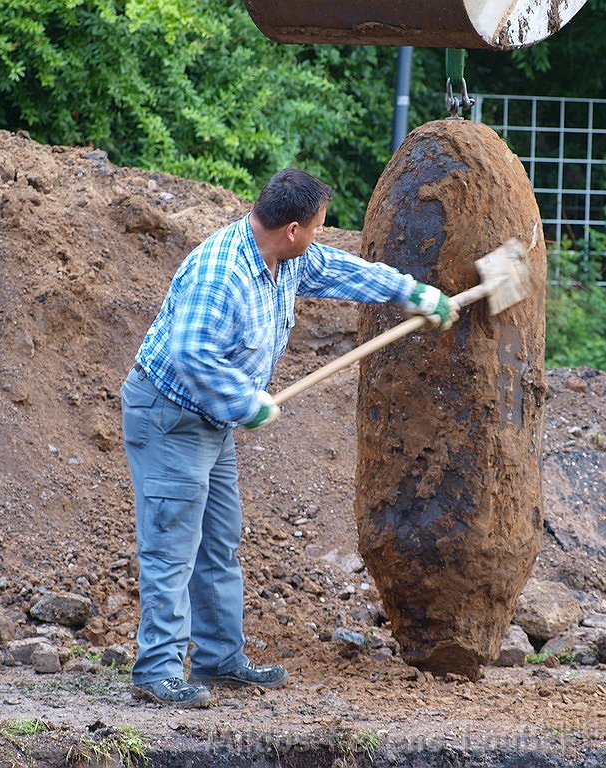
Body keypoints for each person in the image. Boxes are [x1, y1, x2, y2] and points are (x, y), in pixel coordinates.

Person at [121, 168, 457, 707]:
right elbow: (189, 354)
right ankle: (156, 672)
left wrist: (410, 292)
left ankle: (219, 660)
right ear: (294, 228)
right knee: (172, 546)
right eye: (320, 227)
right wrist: (243, 400)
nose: (322, 237)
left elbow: (343, 272)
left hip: (211, 420)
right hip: (170, 416)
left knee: (219, 543)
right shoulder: (220, 271)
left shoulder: (283, 256)